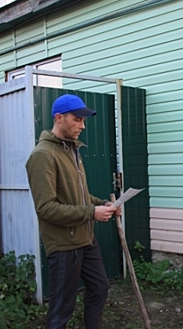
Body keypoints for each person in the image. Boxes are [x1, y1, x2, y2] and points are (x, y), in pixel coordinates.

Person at [25, 94, 121, 329]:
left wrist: (102, 204)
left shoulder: (71, 151)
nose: (82, 126)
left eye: (83, 120)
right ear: (59, 118)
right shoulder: (43, 156)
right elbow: (46, 208)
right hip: (65, 244)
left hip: (85, 239)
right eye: (77, 120)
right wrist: (91, 212)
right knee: (61, 309)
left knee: (99, 287)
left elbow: (78, 195)